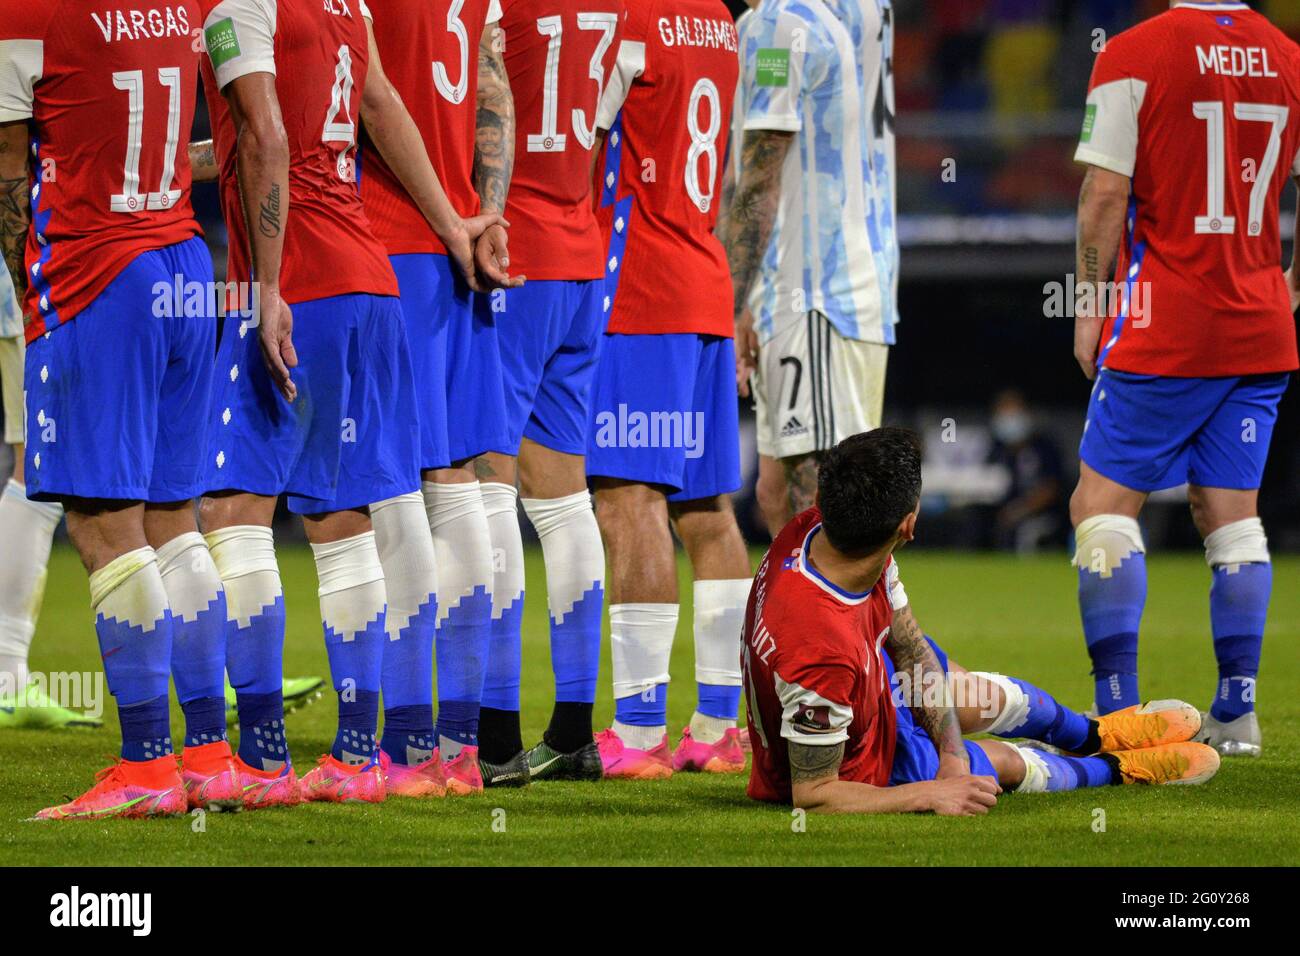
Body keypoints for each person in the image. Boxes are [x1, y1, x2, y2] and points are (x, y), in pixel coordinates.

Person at [196, 0, 500, 806]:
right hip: (372, 279)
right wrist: (454, 224)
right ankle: (360, 759)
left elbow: (265, 139)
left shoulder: (239, 9)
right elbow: (382, 108)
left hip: (299, 280)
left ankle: (261, 761)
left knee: (233, 512)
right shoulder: (345, 6)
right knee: (342, 518)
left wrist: (263, 286)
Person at [0, 0, 232, 819]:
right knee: (174, 517)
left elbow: (6, 173)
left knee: (103, 524)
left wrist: (31, 289)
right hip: (183, 261)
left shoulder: (26, 15)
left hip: (97, 273)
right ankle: (210, 754)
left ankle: (145, 767)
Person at [743, 428, 1221, 813]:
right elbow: (815, 793)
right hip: (856, 763)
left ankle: (1096, 734)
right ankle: (1117, 769)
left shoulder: (826, 530)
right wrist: (932, 790)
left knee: (983, 694)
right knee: (1001, 765)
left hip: (864, 677)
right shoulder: (821, 652)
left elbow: (909, 647)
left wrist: (949, 752)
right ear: (908, 527)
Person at [1070, 1, 1300, 754]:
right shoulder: (1289, 58)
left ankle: (1119, 713)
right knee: (1230, 513)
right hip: (1262, 323)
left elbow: (1104, 196)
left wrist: (1088, 307)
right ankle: (1237, 712)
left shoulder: (1134, 53)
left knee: (1099, 507)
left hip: (1164, 323)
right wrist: (1293, 282)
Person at [586, 0, 754, 778]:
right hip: (703, 281)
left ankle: (641, 730)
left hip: (640, 289)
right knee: (709, 511)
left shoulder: (627, 20)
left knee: (628, 500)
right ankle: (721, 725)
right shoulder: (719, 22)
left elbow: (575, 141)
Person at [361, 0, 522, 796]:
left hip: (391, 239)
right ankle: (459, 745)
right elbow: (495, 86)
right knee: (457, 482)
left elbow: (364, 99)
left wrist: (452, 223)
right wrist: (483, 210)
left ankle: (406, 745)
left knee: (389, 490)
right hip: (455, 238)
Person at [470, 0, 621, 785]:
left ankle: (494, 741)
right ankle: (572, 731)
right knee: (563, 502)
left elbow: (474, 104)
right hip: (580, 249)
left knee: (487, 488)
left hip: (512, 247)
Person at [724, 0, 898, 539]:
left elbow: (759, 180)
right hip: (837, 273)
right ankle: (820, 622)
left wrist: (727, 304)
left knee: (819, 500)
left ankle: (872, 626)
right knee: (776, 494)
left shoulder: (780, 24)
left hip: (816, 289)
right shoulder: (854, 11)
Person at [985, 389, 1066, 552]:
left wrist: (1019, 510)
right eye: (1003, 412)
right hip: (1003, 513)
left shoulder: (1044, 447)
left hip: (1042, 515)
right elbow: (986, 482)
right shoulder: (996, 449)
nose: (1009, 419)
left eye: (1013, 412)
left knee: (1023, 532)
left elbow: (1052, 488)